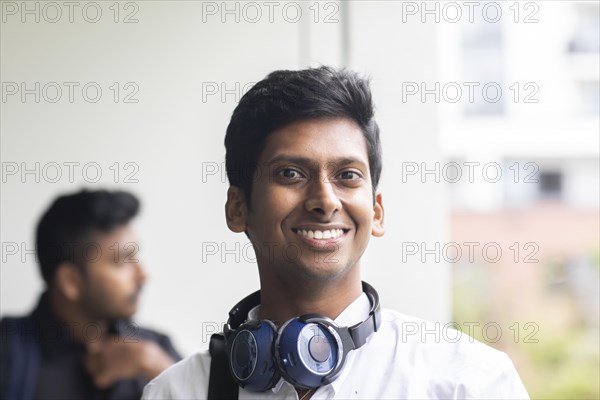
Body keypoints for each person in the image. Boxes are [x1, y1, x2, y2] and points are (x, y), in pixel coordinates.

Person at [142, 66, 530, 399]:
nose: (325, 201)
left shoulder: (469, 382)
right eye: (290, 173)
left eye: (347, 175)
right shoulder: (176, 392)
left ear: (376, 211)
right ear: (238, 208)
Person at [0, 189, 181, 400]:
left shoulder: (156, 349)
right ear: (71, 281)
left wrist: (159, 368)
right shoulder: (7, 353)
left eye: (136, 256)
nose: (143, 275)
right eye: (122, 260)